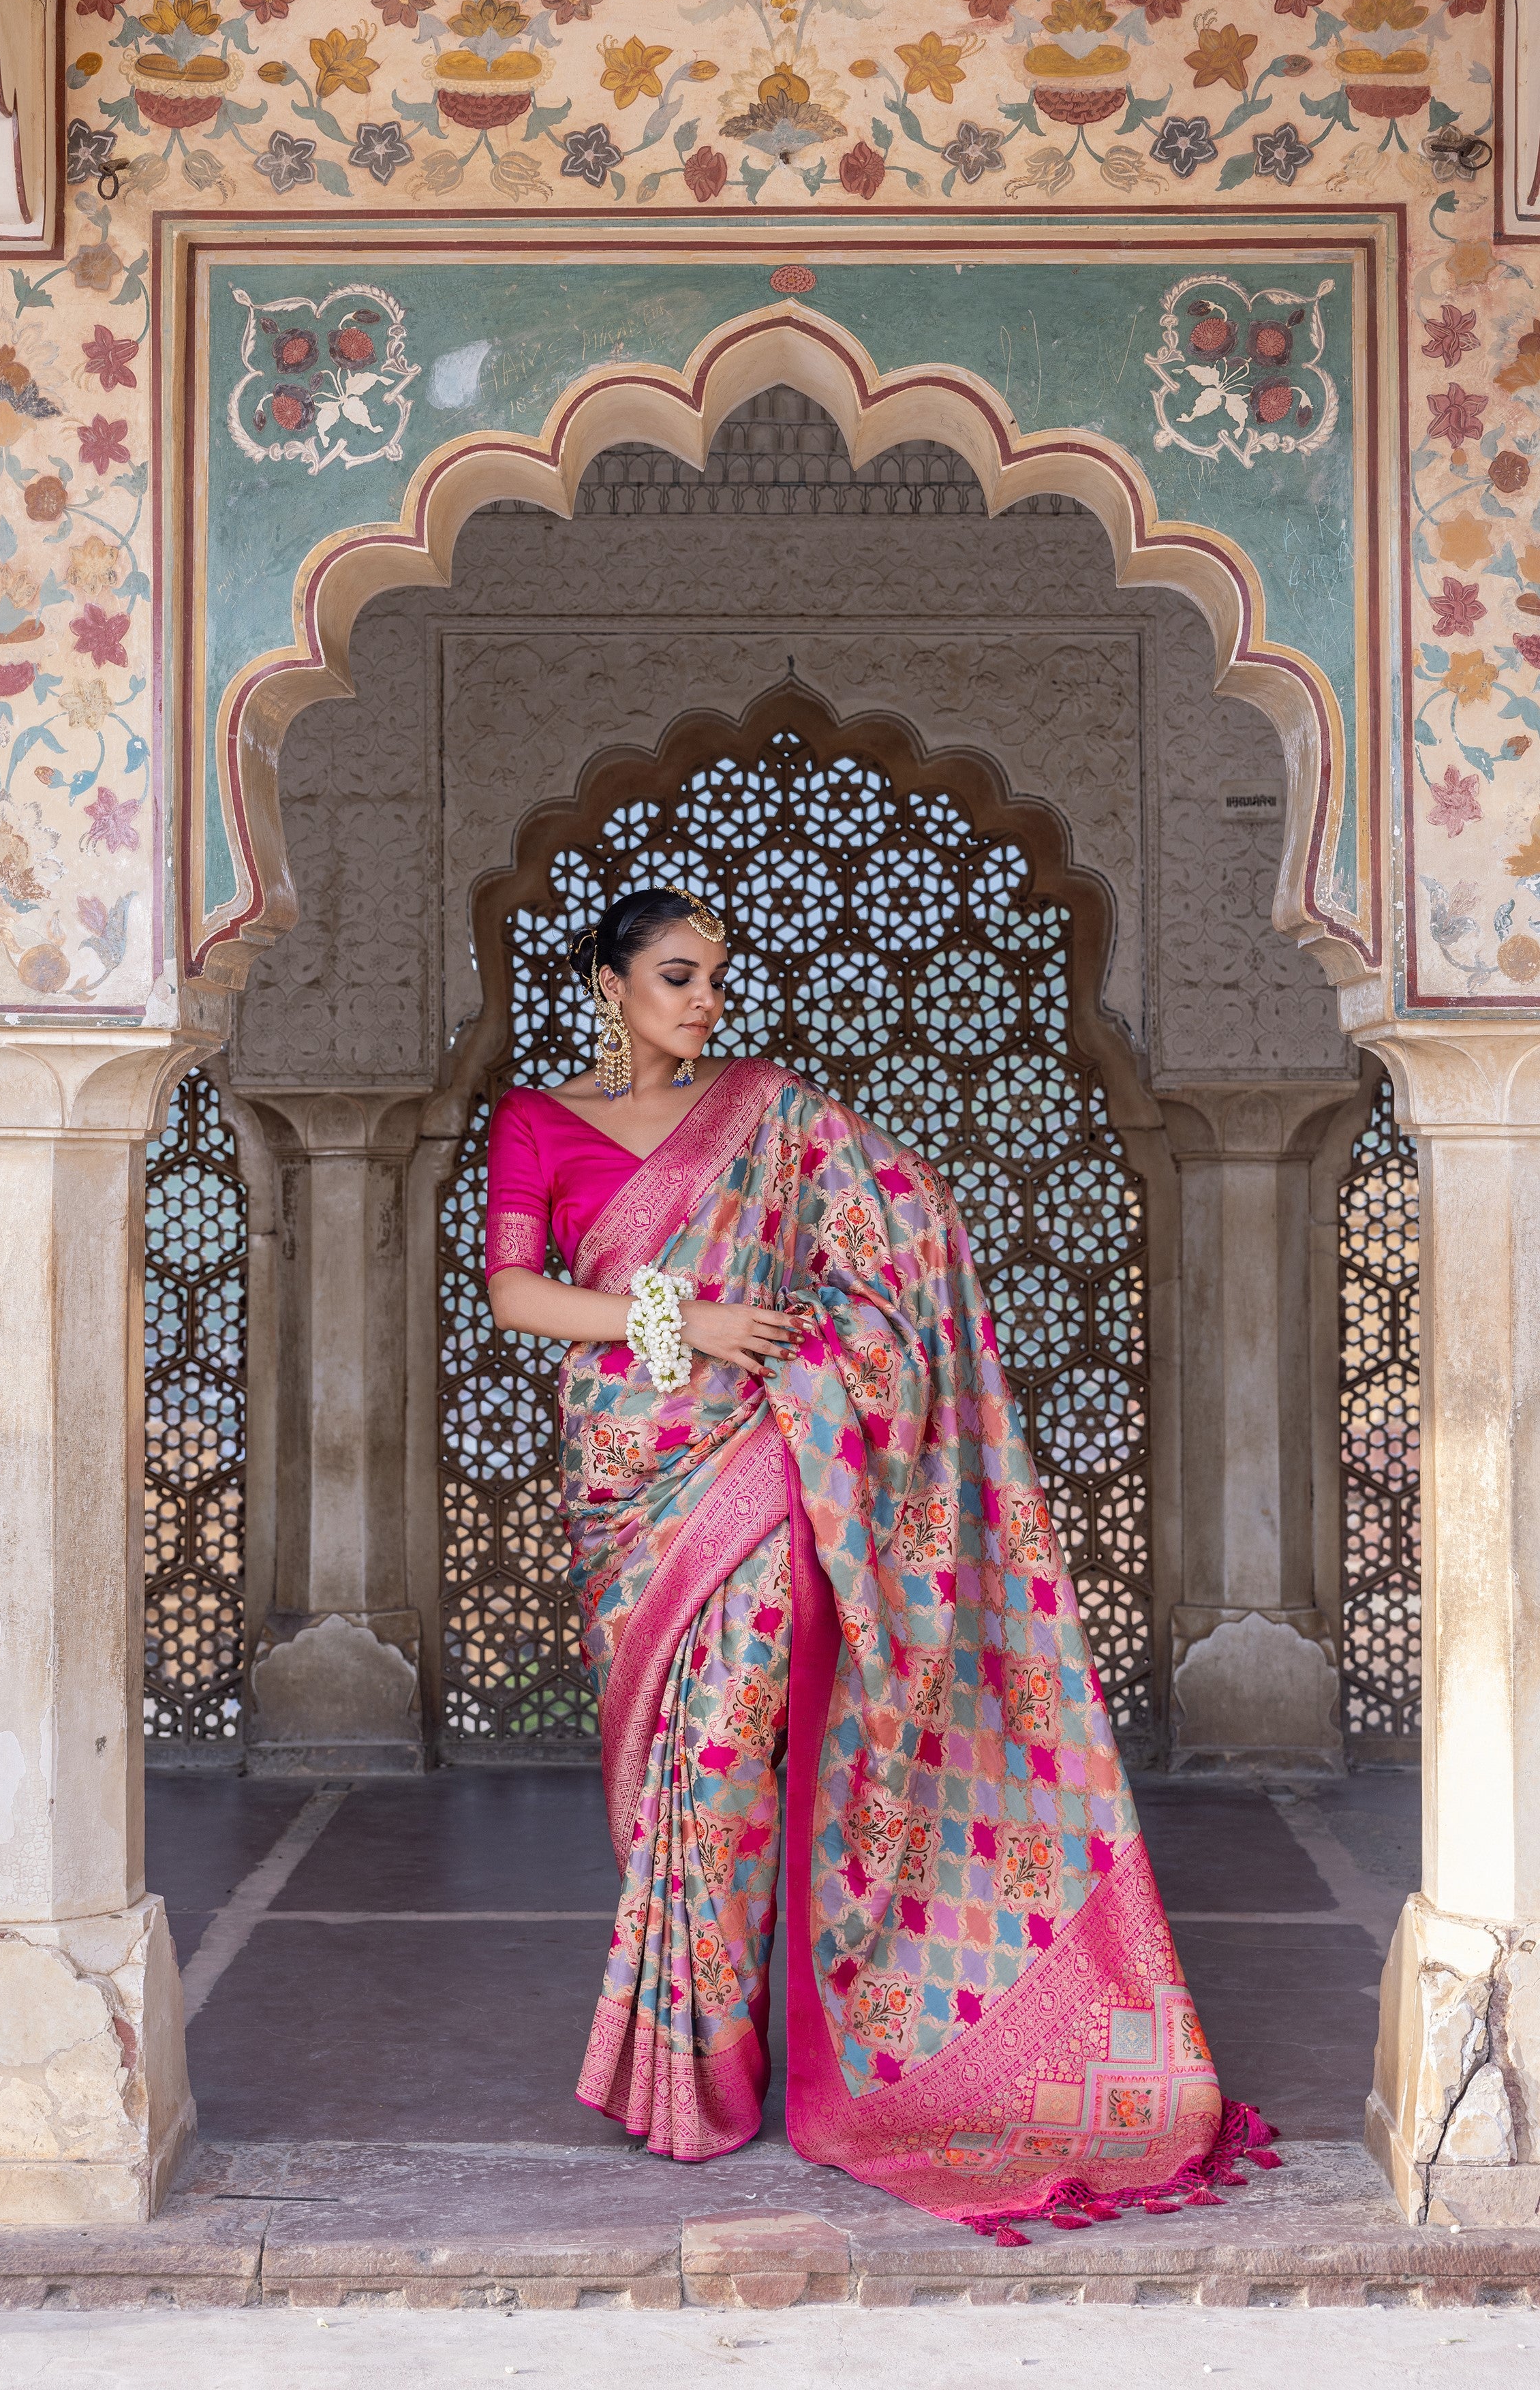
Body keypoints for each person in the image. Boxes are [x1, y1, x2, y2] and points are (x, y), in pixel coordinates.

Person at [484, 885, 1272, 2233]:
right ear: (609, 986)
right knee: (670, 1773)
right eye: (676, 977)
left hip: (765, 1471)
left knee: (728, 1756)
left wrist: (816, 1347)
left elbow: (915, 1237)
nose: (702, 1003)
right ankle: (687, 2069)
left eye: (715, 980)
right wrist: (689, 1319)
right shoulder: (537, 1122)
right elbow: (517, 1294)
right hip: (629, 1474)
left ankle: (725, 2077)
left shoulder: (777, 1114)